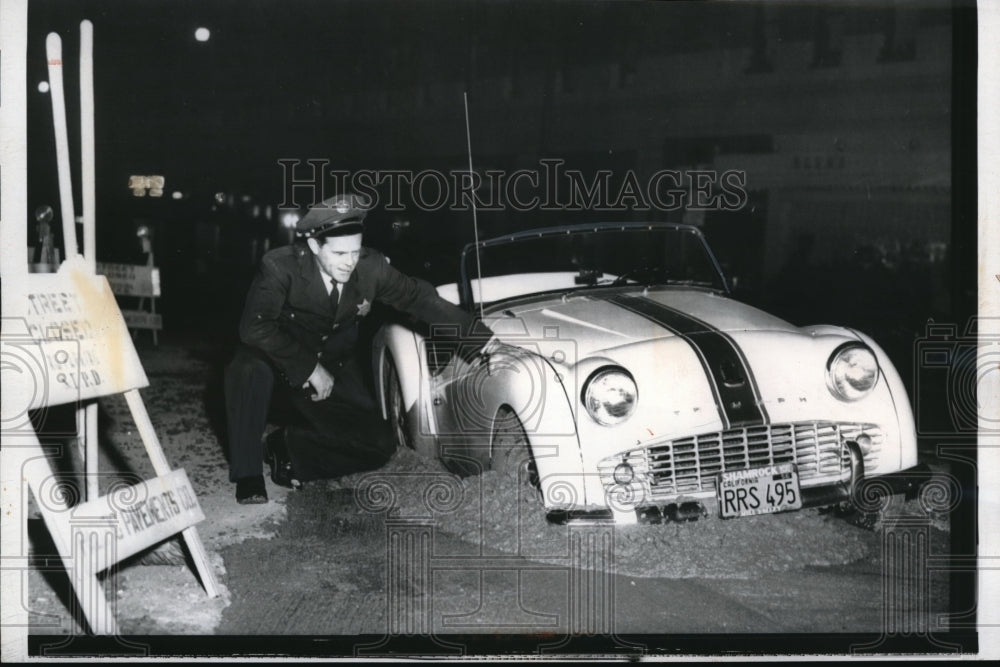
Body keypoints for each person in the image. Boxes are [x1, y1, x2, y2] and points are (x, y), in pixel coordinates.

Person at [224, 193, 493, 504]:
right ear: (314, 246)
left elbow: (419, 298)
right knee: (246, 369)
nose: (350, 262)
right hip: (277, 358)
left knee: (379, 446)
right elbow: (254, 327)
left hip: (333, 364)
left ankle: (287, 449)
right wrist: (309, 367)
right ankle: (247, 474)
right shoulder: (279, 267)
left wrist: (482, 341)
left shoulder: (370, 267)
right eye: (339, 254)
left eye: (355, 251)